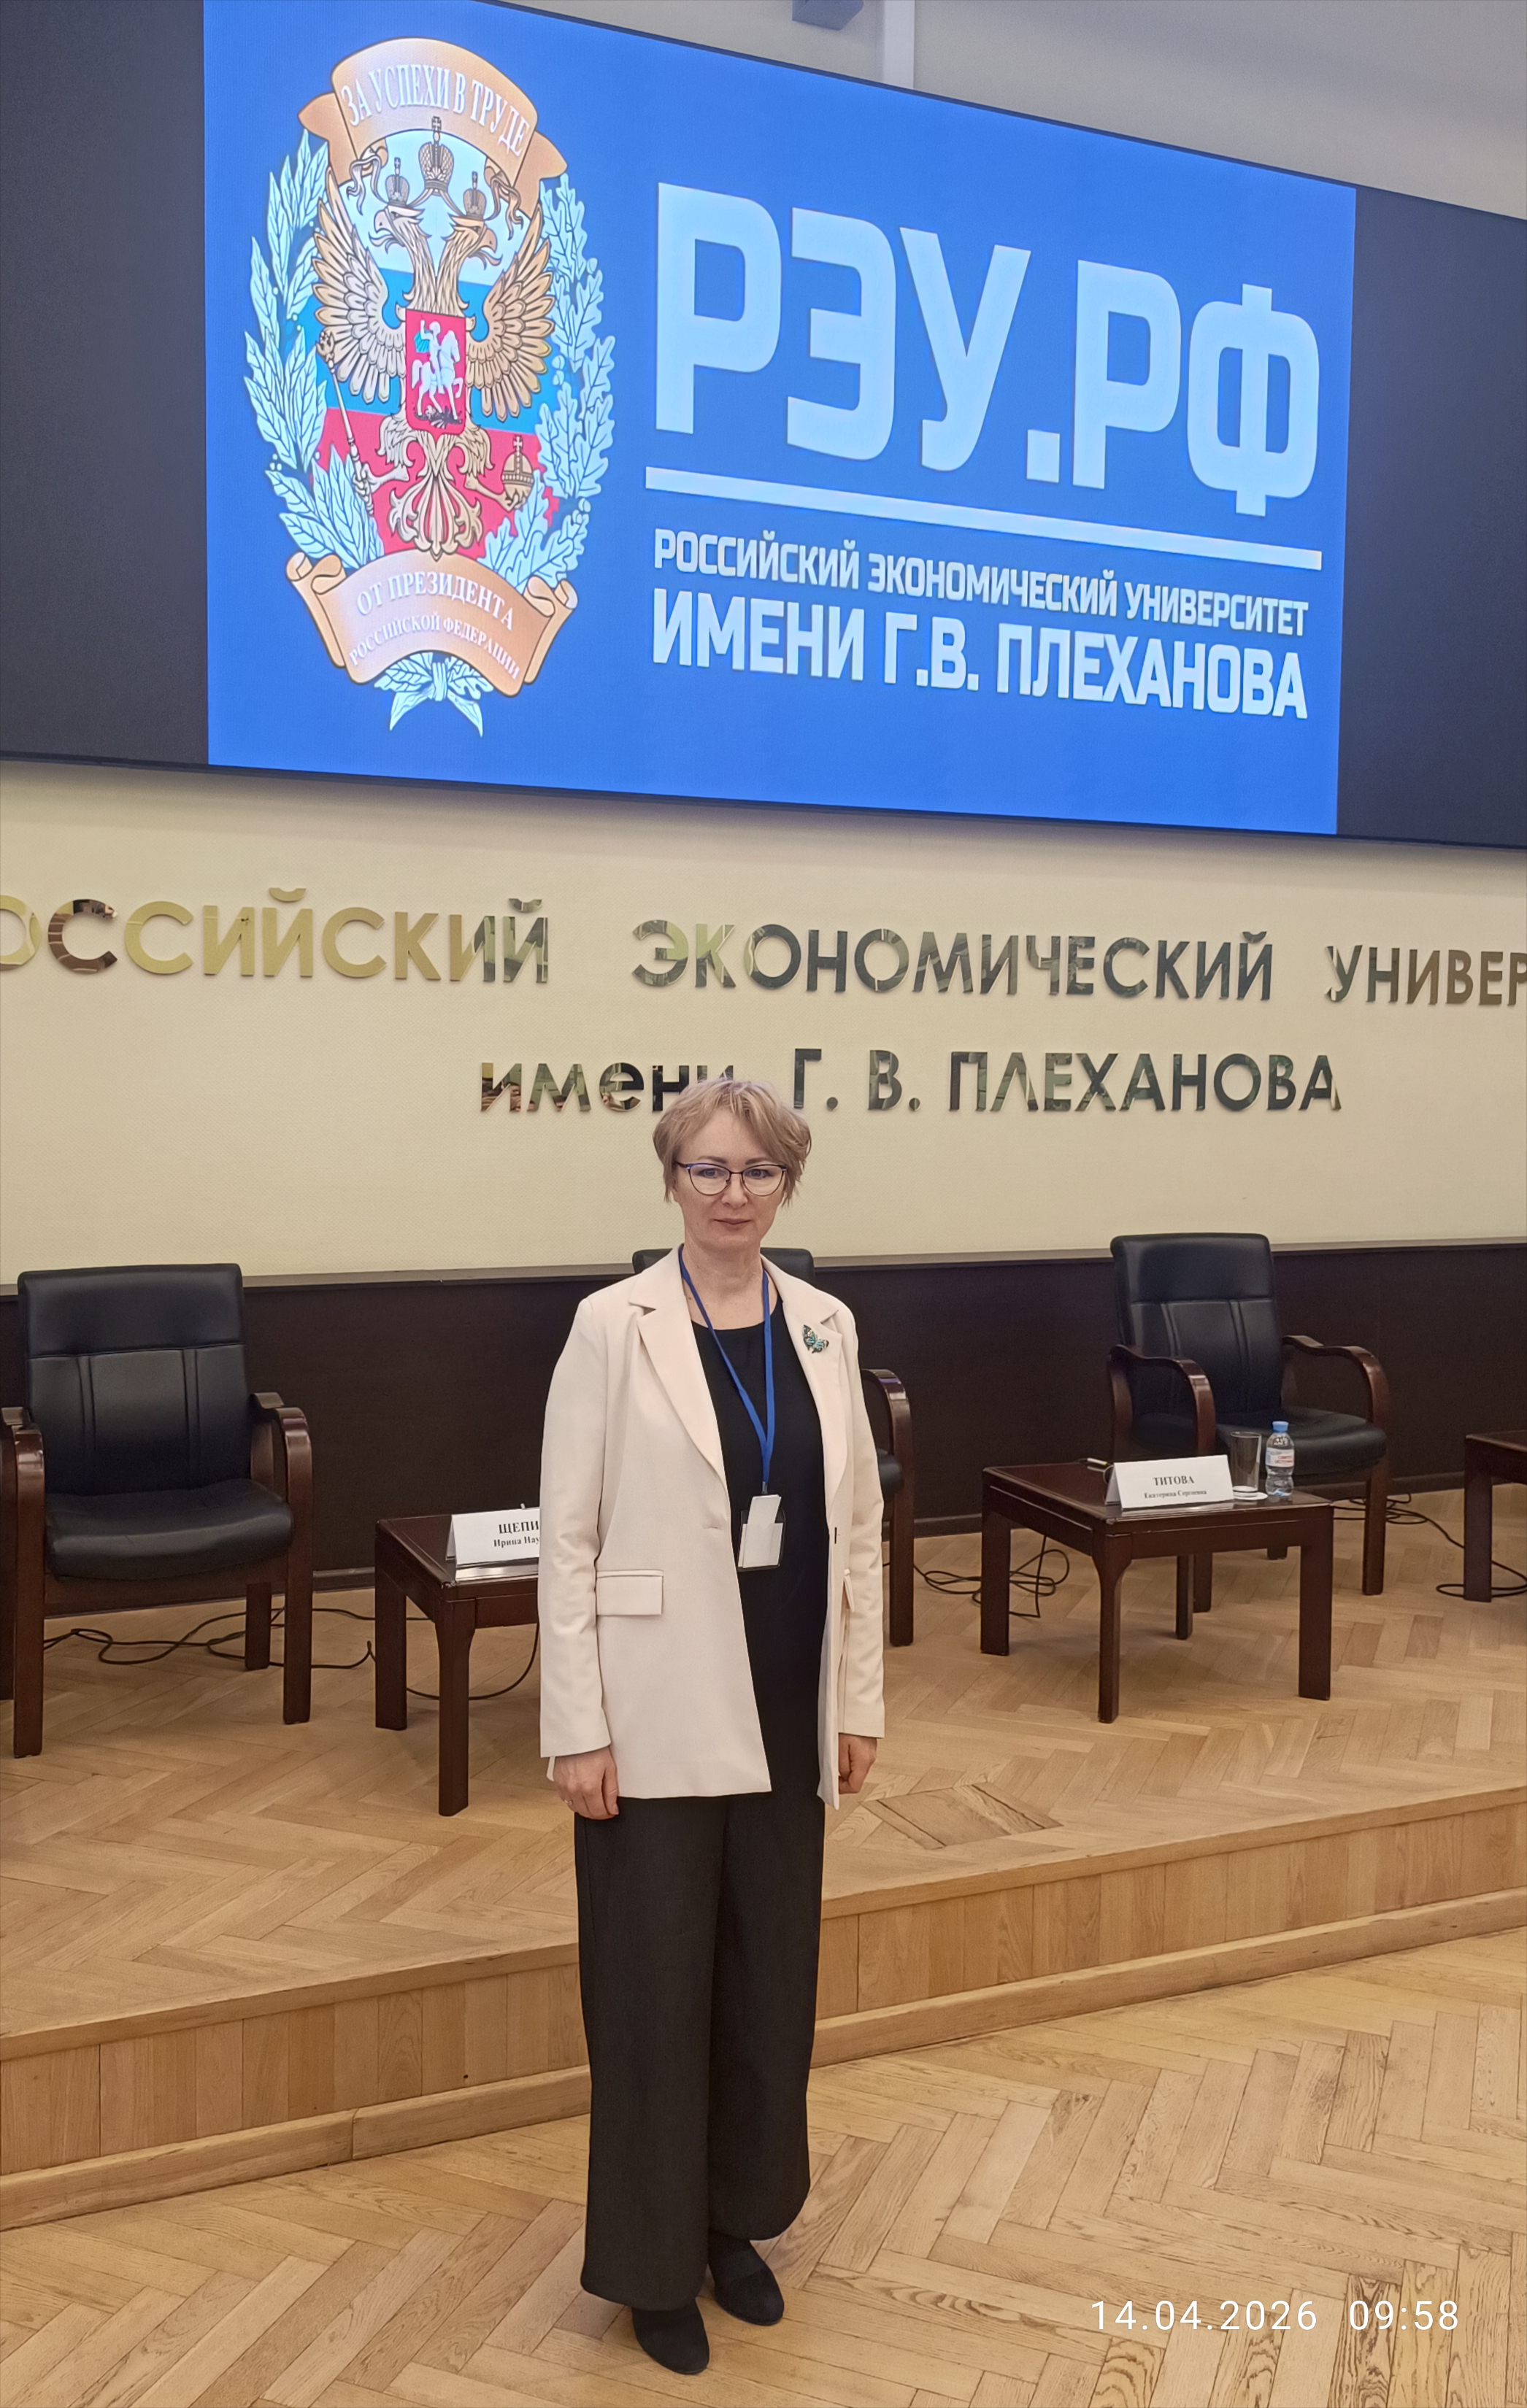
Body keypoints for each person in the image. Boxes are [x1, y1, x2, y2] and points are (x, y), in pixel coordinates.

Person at [538, 1076, 885, 2375]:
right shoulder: (610, 1326)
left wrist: (858, 1702)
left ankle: (736, 2224)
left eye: (757, 1172)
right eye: (709, 1170)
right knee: (652, 1996)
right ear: (672, 1179)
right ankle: (650, 2265)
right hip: (653, 1717)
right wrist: (577, 1727)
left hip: (789, 1713)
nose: (733, 1194)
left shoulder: (827, 1326)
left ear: (785, 1185)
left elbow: (860, 1527)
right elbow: (567, 1541)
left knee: (764, 1986)